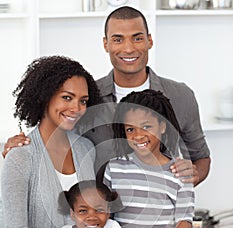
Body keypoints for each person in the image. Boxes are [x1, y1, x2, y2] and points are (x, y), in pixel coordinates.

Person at [2, 6, 210, 187]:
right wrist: (20, 147)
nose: (128, 48)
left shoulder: (180, 96)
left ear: (149, 41)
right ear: (106, 44)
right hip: (98, 222)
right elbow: (52, 137)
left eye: (137, 38)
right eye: (118, 39)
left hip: (158, 219)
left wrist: (191, 176)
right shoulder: (87, 96)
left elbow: (201, 158)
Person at [1, 55, 103, 228]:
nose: (76, 108)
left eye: (83, 101)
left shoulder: (87, 149)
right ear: (45, 96)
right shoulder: (20, 156)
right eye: (67, 98)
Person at [103, 89, 195, 228]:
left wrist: (184, 227)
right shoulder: (114, 168)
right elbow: (105, 217)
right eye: (130, 129)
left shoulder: (181, 172)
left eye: (146, 127)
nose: (138, 136)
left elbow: (184, 219)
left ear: (163, 126)